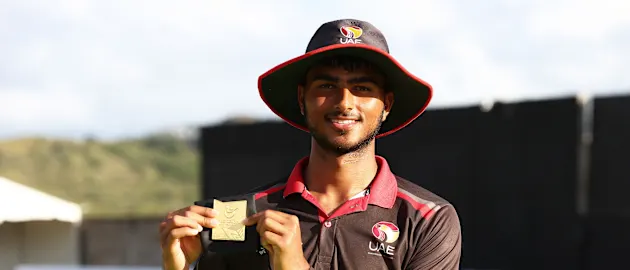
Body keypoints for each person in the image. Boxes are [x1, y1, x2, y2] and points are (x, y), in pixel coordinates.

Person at [159, 18, 462, 270]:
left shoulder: (427, 220)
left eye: (362, 88)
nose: (344, 102)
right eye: (327, 86)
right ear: (302, 98)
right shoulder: (245, 215)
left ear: (387, 104)